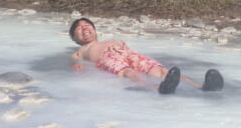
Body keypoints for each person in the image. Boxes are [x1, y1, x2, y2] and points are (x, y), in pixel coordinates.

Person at [69, 18, 224, 94]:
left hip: (130, 54)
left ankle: (202, 87)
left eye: (87, 25)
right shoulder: (80, 50)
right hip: (107, 58)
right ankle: (157, 89)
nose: (84, 27)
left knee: (162, 71)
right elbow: (74, 63)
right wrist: (78, 66)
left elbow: (126, 47)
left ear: (95, 30)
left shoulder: (110, 39)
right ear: (74, 38)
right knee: (129, 73)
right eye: (78, 28)